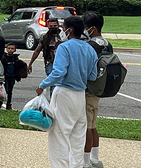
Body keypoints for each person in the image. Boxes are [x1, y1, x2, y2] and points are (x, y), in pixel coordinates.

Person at [36, 16, 98, 168]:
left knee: (59, 134)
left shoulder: (64, 47)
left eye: (64, 28)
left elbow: (58, 72)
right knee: (78, 135)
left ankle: (60, 165)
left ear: (69, 30)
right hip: (80, 96)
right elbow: (93, 75)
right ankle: (76, 165)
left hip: (64, 92)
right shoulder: (90, 49)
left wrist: (42, 85)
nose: (62, 31)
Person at [82, 11, 112, 168]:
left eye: (85, 27)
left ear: (92, 28)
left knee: (86, 126)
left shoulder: (90, 46)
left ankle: (86, 161)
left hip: (89, 89)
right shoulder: (107, 44)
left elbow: (85, 68)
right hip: (100, 89)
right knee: (93, 124)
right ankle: (95, 157)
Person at [28, 18, 65, 97]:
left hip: (62, 64)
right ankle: (53, 102)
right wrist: (30, 63)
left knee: (61, 85)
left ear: (58, 25)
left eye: (55, 25)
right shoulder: (44, 37)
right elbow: (37, 51)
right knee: (53, 84)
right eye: (50, 26)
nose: (53, 27)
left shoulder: (63, 37)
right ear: (47, 26)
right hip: (50, 64)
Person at [0, 43, 20, 110]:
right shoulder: (3, 58)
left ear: (15, 50)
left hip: (12, 77)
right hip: (5, 77)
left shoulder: (15, 58)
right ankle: (0, 102)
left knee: (10, 91)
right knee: (3, 90)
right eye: (9, 48)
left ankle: (9, 104)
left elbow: (19, 67)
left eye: (12, 48)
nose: (10, 50)